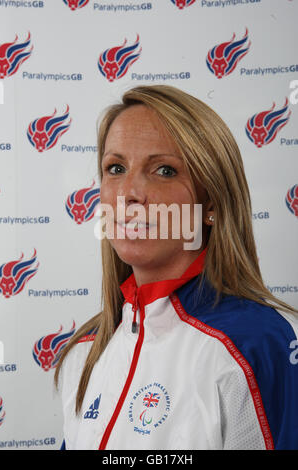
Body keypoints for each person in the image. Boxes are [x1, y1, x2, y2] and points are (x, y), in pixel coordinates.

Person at [55, 85, 298, 450]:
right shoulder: (84, 351)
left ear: (211, 202)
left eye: (164, 170)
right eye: (115, 168)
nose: (129, 192)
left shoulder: (258, 344)